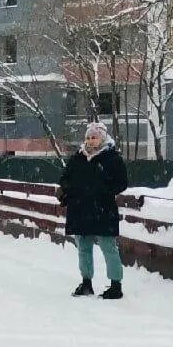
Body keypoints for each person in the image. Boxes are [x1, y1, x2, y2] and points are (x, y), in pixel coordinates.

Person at [59, 121, 127, 300]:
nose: (91, 141)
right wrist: (66, 190)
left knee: (108, 247)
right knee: (83, 247)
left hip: (103, 208)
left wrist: (103, 190)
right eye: (88, 137)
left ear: (103, 138)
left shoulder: (112, 158)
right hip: (80, 208)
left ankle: (116, 285)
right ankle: (86, 282)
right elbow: (65, 178)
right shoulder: (77, 158)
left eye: (94, 137)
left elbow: (122, 182)